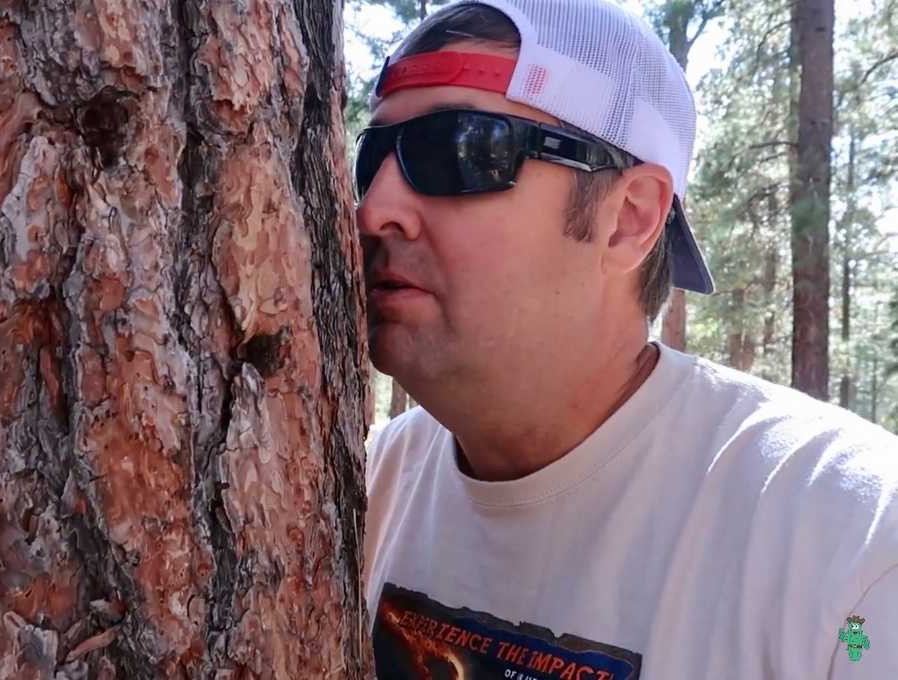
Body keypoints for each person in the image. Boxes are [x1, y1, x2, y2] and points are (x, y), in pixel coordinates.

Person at [357, 1, 898, 677]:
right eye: (372, 156)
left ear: (630, 219)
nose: (374, 210)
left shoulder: (852, 542)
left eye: (459, 152)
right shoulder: (361, 488)